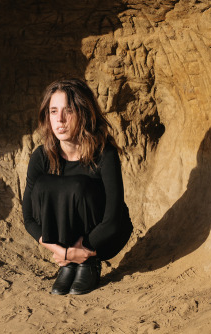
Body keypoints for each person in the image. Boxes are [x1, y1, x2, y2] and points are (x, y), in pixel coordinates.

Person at [22, 78, 133, 295]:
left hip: (104, 237)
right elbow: (28, 218)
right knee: (43, 184)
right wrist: (63, 253)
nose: (60, 120)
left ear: (83, 112)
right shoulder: (41, 157)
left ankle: (88, 265)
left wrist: (86, 249)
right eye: (53, 111)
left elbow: (113, 218)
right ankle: (69, 266)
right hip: (65, 245)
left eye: (68, 110)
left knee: (78, 186)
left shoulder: (104, 154)